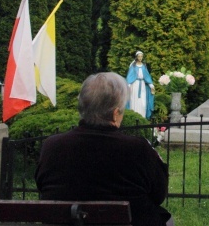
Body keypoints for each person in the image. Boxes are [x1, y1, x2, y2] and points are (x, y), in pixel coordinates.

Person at [35, 72, 171, 226]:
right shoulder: (138, 149)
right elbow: (159, 194)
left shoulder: (52, 146)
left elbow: (42, 186)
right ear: (115, 113)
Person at [126, 51, 155, 119]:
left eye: (141, 56)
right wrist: (129, 85)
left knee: (143, 103)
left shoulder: (144, 66)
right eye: (139, 56)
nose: (140, 58)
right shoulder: (133, 66)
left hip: (142, 86)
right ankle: (134, 117)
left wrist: (151, 84)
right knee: (134, 100)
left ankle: (142, 117)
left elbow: (147, 76)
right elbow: (130, 76)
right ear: (136, 57)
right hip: (134, 85)